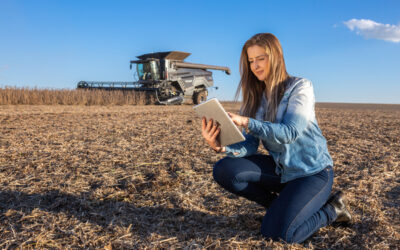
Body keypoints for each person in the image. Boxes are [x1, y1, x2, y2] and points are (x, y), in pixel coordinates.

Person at [201, 33, 351, 244]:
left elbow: (290, 132)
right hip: (282, 172)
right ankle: (279, 209)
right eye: (250, 61)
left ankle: (333, 210)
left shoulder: (300, 87)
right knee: (224, 169)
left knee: (279, 235)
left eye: (260, 58)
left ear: (276, 57)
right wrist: (219, 147)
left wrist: (247, 122)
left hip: (312, 173)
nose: (254, 65)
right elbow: (250, 146)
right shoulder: (254, 98)